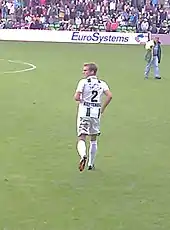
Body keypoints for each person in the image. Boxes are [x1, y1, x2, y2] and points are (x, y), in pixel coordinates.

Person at [74, 63, 112, 172]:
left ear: (92, 72)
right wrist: (102, 108)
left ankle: (83, 155)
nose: (83, 72)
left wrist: (83, 101)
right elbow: (110, 96)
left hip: (84, 113)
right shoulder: (102, 83)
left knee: (82, 136)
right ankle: (91, 163)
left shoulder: (83, 82)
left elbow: (76, 97)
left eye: (85, 70)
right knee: (93, 139)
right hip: (96, 114)